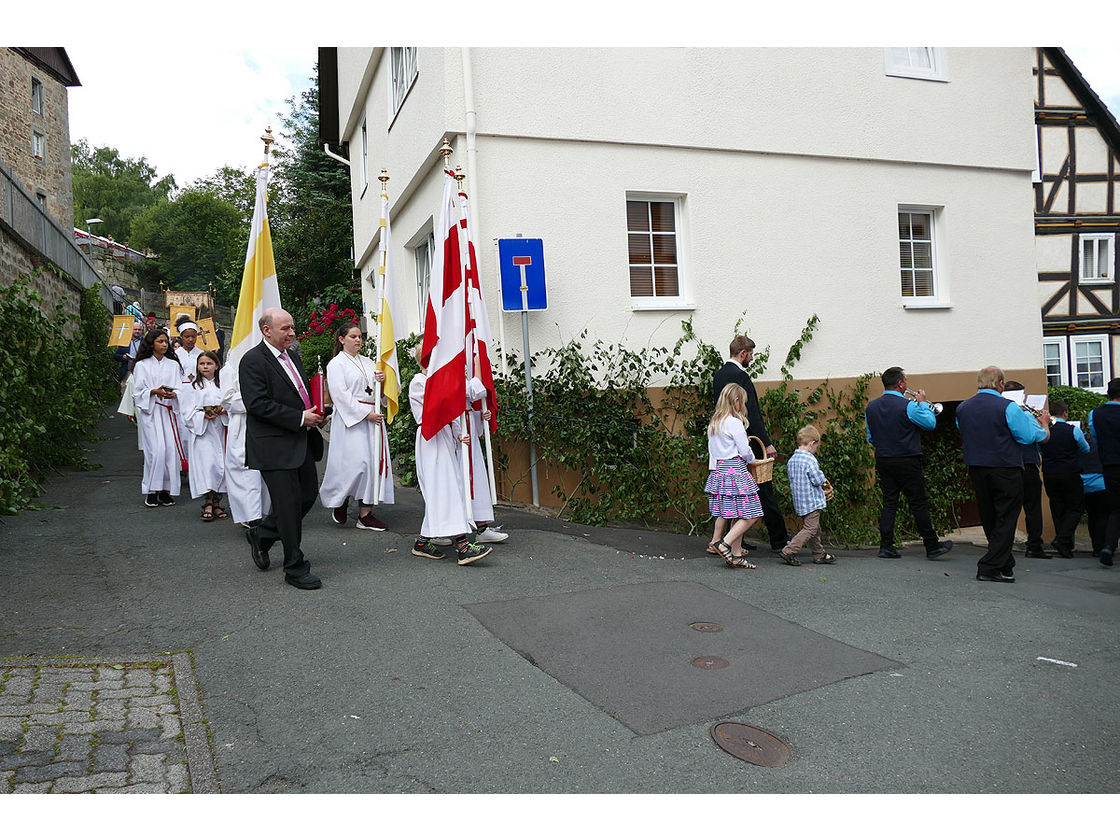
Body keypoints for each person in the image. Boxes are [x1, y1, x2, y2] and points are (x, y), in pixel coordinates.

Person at [240, 308, 326, 590]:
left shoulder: (292, 355)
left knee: (307, 496)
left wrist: (317, 410)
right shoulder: (252, 361)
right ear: (267, 330)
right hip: (273, 445)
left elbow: (298, 393)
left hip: (300, 440)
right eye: (285, 329)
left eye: (292, 327)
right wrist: (301, 418)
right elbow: (257, 404)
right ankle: (295, 567)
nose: (292, 333)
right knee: (288, 507)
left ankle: (262, 535)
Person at [956, 366, 1050, 583]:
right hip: (1005, 467)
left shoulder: (963, 408)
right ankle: (988, 566)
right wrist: (1043, 427)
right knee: (1006, 518)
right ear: (1000, 384)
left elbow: (964, 430)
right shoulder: (1008, 407)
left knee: (989, 517)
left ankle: (1004, 563)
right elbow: (1027, 437)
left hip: (977, 467)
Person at [408, 347, 492, 566]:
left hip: (444, 436)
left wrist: (458, 434)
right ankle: (463, 546)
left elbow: (454, 409)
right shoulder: (419, 381)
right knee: (444, 489)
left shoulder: (438, 381)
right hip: (430, 437)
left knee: (448, 488)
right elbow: (443, 402)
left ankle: (422, 542)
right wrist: (472, 368)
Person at [864, 367, 953, 560]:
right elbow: (930, 424)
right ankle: (931, 545)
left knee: (889, 502)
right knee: (918, 502)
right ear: (900, 384)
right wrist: (922, 403)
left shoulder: (871, 407)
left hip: (883, 459)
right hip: (907, 459)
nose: (908, 385)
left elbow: (871, 437)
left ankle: (886, 546)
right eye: (906, 381)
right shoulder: (909, 406)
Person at [711, 336, 790, 552]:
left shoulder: (719, 375)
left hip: (725, 443)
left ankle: (734, 539)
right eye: (751, 354)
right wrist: (766, 442)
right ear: (743, 353)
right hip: (745, 441)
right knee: (762, 490)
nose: (752, 359)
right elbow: (752, 412)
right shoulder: (740, 376)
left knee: (731, 496)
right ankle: (779, 539)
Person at [318, 322, 395, 531]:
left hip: (372, 418)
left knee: (371, 465)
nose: (358, 340)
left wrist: (381, 381)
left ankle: (365, 513)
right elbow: (340, 395)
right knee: (356, 464)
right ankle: (341, 498)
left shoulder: (369, 362)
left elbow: (376, 393)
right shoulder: (336, 364)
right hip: (351, 421)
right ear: (342, 340)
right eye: (353, 336)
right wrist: (365, 414)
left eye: (359, 336)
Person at [704, 382, 762, 569]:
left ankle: (736, 555)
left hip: (720, 471)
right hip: (736, 470)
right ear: (736, 400)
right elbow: (745, 451)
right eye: (742, 402)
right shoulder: (734, 422)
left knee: (737, 513)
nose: (742, 406)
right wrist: (752, 458)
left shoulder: (714, 423)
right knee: (752, 513)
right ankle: (725, 543)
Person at [131, 328, 186, 507]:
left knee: (170, 451)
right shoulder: (142, 365)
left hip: (169, 413)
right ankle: (151, 490)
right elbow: (138, 392)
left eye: (166, 341)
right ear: (151, 343)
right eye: (160, 341)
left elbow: (180, 388)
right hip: (152, 412)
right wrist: (153, 391)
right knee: (156, 452)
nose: (164, 344)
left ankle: (165, 490)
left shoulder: (173, 365)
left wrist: (174, 394)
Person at [1039, 399, 1089, 558]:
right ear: (1065, 413)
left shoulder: (1045, 430)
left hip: (1049, 473)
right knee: (1076, 507)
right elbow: (1085, 448)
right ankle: (1062, 540)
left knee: (1057, 507)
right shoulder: (1073, 430)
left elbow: (1040, 449)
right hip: (1070, 472)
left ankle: (1065, 546)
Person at [1004, 380, 1048, 559]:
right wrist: (1044, 423)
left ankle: (1004, 546)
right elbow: (1041, 437)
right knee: (1033, 508)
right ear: (1021, 395)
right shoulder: (1026, 414)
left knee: (1007, 509)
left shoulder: (1001, 411)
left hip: (1007, 466)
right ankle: (1034, 546)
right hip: (1027, 465)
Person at [780, 425, 836, 566]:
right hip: (811, 501)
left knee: (815, 528)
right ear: (812, 443)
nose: (816, 450)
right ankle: (789, 550)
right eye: (816, 446)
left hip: (800, 501)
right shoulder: (809, 460)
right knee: (811, 529)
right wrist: (823, 478)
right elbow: (817, 480)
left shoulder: (792, 460)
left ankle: (819, 554)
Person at [182, 351, 229, 521]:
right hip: (202, 432)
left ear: (217, 366)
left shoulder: (222, 385)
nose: (205, 367)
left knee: (220, 466)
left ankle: (217, 503)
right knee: (207, 466)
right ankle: (207, 502)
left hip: (219, 430)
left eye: (209, 363)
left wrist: (223, 411)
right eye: (202, 364)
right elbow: (187, 412)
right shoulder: (193, 387)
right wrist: (202, 415)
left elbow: (229, 405)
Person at [1087, 378, 1120, 566]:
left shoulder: (1095, 414)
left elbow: (1096, 439)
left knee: (1115, 508)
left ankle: (1108, 545)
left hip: (1109, 466)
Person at [174, 319, 203, 469]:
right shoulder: (174, 355)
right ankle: (182, 463)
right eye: (187, 337)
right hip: (180, 395)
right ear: (181, 337)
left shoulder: (202, 354)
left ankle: (197, 463)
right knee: (181, 428)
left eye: (193, 336)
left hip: (197, 393)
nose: (191, 340)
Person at [1079, 432, 1108, 558]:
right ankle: (1101, 546)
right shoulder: (1104, 439)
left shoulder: (1080, 437)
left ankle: (1095, 546)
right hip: (1101, 483)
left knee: (1092, 516)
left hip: (1084, 483)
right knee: (1102, 516)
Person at [113, 320, 144, 386]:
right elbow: (116, 356)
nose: (137, 331)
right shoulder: (125, 342)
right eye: (135, 329)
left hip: (142, 372)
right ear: (131, 330)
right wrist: (123, 357)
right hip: (128, 371)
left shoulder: (145, 342)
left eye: (139, 329)